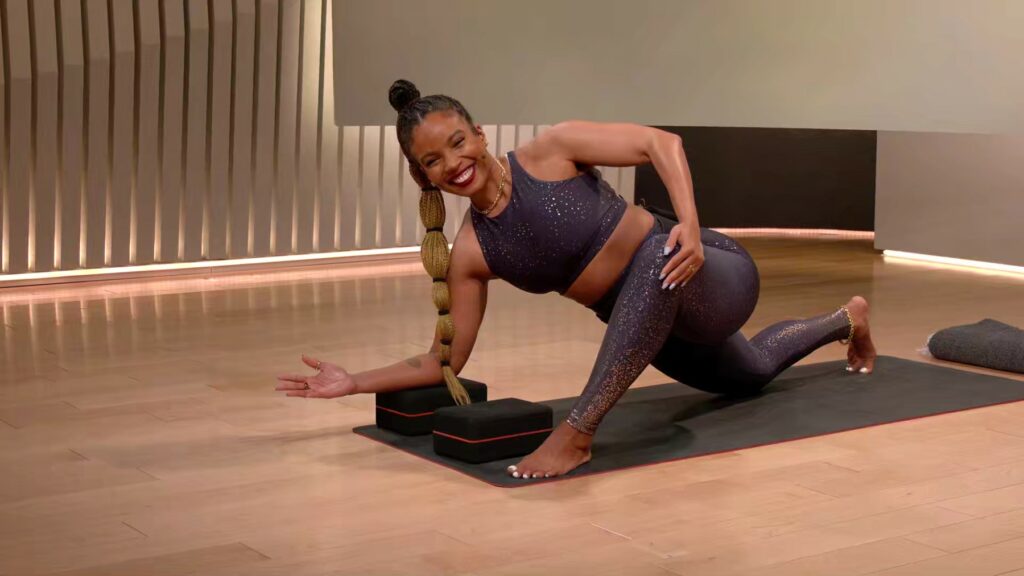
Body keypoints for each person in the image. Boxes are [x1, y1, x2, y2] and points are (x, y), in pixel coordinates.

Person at [275, 80, 877, 480]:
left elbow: (660, 142)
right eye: (434, 160)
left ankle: (578, 432)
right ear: (422, 175)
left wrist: (691, 227)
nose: (453, 163)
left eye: (458, 142)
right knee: (747, 375)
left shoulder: (551, 151)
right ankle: (845, 320)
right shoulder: (472, 252)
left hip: (706, 271)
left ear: (480, 135)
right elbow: (443, 360)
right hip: (651, 327)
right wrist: (353, 382)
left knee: (653, 259)